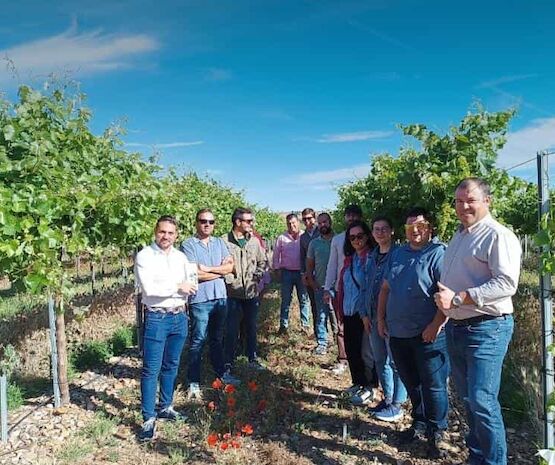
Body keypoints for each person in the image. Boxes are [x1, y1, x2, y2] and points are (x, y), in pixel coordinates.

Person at [434, 178, 521, 465]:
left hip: (487, 328)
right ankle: (478, 456)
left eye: (470, 200)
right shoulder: (460, 235)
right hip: (459, 328)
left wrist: (459, 299)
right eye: (459, 201)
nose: (463, 206)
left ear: (487, 201)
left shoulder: (497, 235)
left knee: (482, 401)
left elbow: (506, 283)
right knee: (470, 401)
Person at [377, 207, 449, 459]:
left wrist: (436, 325)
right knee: (411, 382)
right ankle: (418, 424)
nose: (415, 231)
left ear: (430, 227)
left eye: (420, 226)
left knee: (434, 386)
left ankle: (436, 432)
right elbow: (385, 288)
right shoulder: (398, 254)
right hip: (398, 333)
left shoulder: (439, 254)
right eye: (410, 227)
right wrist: (380, 318)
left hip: (427, 335)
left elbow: (446, 295)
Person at [134, 215, 198, 441]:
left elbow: (190, 285)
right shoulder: (145, 256)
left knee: (171, 365)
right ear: (155, 232)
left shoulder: (181, 258)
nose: (166, 237)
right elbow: (149, 289)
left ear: (176, 235)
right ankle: (148, 418)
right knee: (151, 369)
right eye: (162, 232)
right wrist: (177, 287)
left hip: (179, 317)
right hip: (157, 319)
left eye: (170, 233)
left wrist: (182, 288)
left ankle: (166, 407)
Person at [181, 209, 238, 400]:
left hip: (220, 297)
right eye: (203, 221)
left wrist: (209, 269)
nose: (207, 224)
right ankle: (193, 382)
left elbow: (231, 267)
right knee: (197, 340)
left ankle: (221, 374)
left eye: (211, 222)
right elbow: (194, 273)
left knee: (216, 338)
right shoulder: (188, 244)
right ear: (196, 222)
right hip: (200, 300)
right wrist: (219, 272)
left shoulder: (219, 242)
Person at [361, 216, 407, 422]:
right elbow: (365, 286)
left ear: (392, 231)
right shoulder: (371, 256)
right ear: (372, 233)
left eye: (384, 229)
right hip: (372, 315)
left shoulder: (399, 255)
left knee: (396, 361)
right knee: (380, 359)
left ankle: (398, 403)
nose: (380, 233)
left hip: (391, 318)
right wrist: (364, 314)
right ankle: (387, 398)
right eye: (376, 229)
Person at [324, 204, 373, 380]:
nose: (351, 219)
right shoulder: (338, 241)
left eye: (355, 216)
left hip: (364, 303)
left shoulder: (371, 253)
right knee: (347, 336)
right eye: (348, 216)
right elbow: (332, 265)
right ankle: (354, 375)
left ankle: (370, 383)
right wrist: (328, 288)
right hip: (343, 295)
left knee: (366, 346)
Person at [335, 220, 379, 405]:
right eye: (352, 237)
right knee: (352, 350)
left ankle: (370, 387)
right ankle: (358, 382)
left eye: (360, 236)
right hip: (349, 311)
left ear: (367, 236)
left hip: (365, 314)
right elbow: (343, 285)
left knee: (367, 352)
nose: (356, 240)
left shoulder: (373, 258)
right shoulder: (349, 259)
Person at [222, 207, 267, 371]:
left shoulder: (254, 242)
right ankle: (228, 361)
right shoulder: (223, 242)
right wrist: (227, 280)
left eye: (251, 220)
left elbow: (263, 261)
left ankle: (252, 358)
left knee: (251, 327)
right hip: (231, 294)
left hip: (251, 293)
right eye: (248, 221)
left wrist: (258, 275)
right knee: (231, 329)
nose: (251, 223)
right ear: (237, 222)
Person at [272, 213, 311, 334]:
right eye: (289, 223)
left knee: (304, 299)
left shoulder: (304, 236)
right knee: (285, 300)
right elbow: (275, 255)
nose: (291, 225)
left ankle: (305, 325)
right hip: (287, 273)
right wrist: (277, 269)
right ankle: (283, 326)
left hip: (302, 273)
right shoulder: (282, 238)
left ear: (298, 223)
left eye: (293, 222)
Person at [306, 212, 334, 355]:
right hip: (320, 286)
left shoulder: (339, 240)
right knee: (321, 316)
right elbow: (309, 265)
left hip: (337, 287)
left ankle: (339, 344)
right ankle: (322, 343)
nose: (323, 225)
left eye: (325, 222)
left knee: (337, 318)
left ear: (330, 222)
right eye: (320, 222)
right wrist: (312, 282)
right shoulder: (314, 243)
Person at [300, 208, 320, 336]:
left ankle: (336, 334)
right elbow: (302, 256)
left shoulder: (322, 232)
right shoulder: (303, 237)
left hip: (323, 274)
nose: (307, 221)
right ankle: (318, 334)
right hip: (310, 275)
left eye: (309, 218)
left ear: (314, 218)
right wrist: (303, 274)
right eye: (304, 219)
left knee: (330, 308)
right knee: (314, 305)